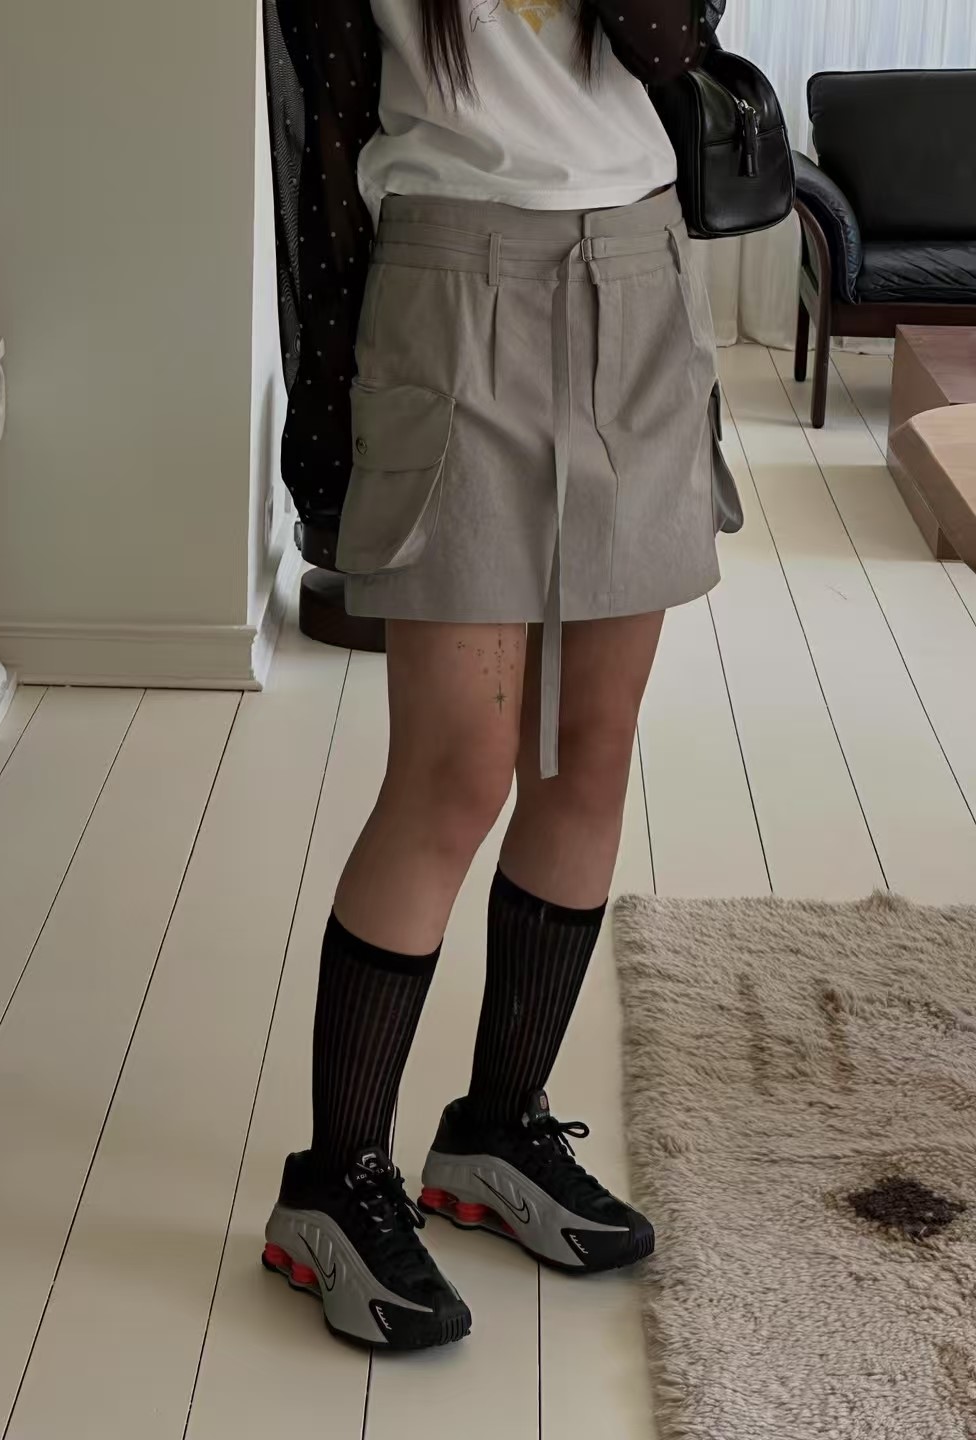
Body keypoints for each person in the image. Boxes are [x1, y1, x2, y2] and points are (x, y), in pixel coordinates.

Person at [261, 0, 735, 1350]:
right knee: (455, 775)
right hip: (451, 279)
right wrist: (325, 433)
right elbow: (323, 123)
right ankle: (333, 1187)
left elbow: (668, 41)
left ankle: (498, 1130)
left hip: (640, 265)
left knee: (590, 753)